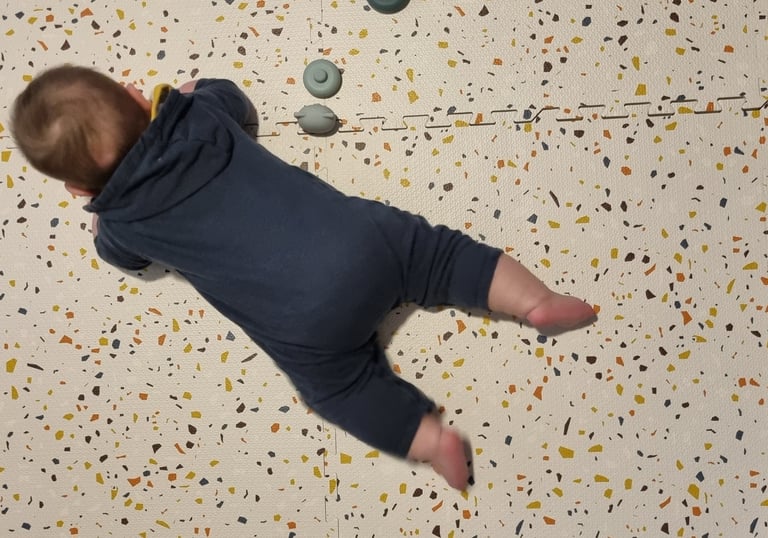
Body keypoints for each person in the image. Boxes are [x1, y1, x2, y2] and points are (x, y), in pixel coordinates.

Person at [10, 65, 597, 490]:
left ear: (79, 191)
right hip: (363, 244)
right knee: (439, 254)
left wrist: (103, 226)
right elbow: (232, 98)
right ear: (140, 96)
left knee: (339, 389)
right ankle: (535, 301)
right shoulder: (198, 113)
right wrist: (188, 93)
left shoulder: (119, 223)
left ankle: (429, 441)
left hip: (305, 325)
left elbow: (124, 260)